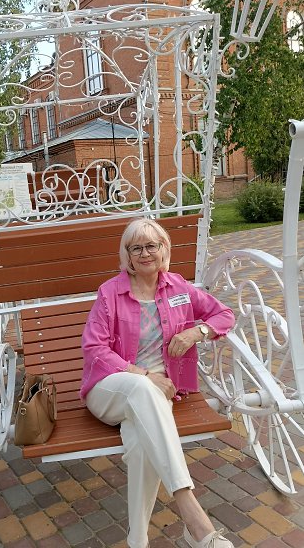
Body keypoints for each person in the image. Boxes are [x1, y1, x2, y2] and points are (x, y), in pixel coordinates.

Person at [80, 218, 235, 548]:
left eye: (152, 245)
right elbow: (94, 348)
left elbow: (224, 315)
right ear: (127, 255)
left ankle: (137, 540)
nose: (145, 253)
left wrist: (197, 332)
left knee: (141, 447)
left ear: (164, 249)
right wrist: (146, 375)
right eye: (136, 247)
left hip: (158, 394)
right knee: (142, 388)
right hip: (110, 388)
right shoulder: (110, 292)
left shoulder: (178, 287)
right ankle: (192, 514)